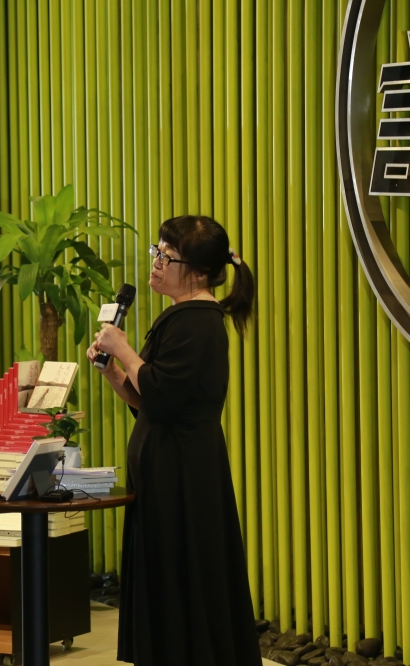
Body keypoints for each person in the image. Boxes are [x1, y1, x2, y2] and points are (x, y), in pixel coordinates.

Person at [87, 215, 261, 665]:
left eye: (167, 256)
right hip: (166, 469)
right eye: (157, 252)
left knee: (182, 575)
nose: (157, 263)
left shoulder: (198, 321)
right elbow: (149, 401)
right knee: (165, 574)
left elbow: (161, 395)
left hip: (183, 472)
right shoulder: (181, 317)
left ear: (198, 272)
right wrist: (113, 371)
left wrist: (125, 349)